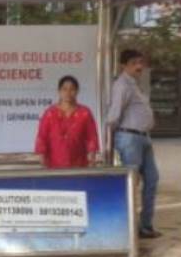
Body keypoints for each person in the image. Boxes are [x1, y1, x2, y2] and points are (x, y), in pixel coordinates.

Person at [107, 49, 161, 239]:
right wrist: (109, 140)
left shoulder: (135, 85)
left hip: (143, 137)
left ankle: (145, 225)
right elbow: (114, 115)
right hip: (129, 138)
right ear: (123, 66)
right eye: (133, 63)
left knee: (152, 180)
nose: (139, 66)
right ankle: (127, 228)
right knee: (131, 183)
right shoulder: (122, 85)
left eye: (140, 62)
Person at [35, 75, 100, 169]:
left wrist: (92, 158)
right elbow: (42, 137)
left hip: (79, 164)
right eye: (64, 89)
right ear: (59, 91)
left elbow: (92, 137)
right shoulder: (50, 113)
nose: (68, 93)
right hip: (54, 164)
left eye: (72, 89)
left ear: (77, 91)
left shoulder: (85, 113)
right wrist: (42, 160)